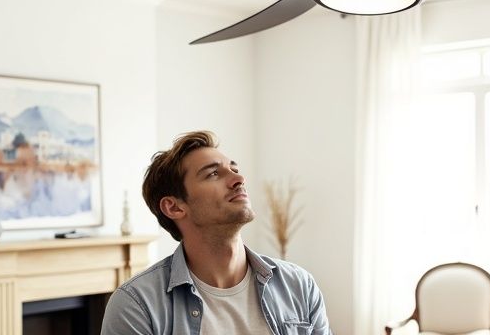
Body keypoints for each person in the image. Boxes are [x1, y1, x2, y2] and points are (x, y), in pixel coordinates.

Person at [101, 130, 332, 335]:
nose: (239, 179)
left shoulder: (299, 285)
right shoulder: (137, 305)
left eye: (234, 169)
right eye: (213, 174)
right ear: (174, 207)